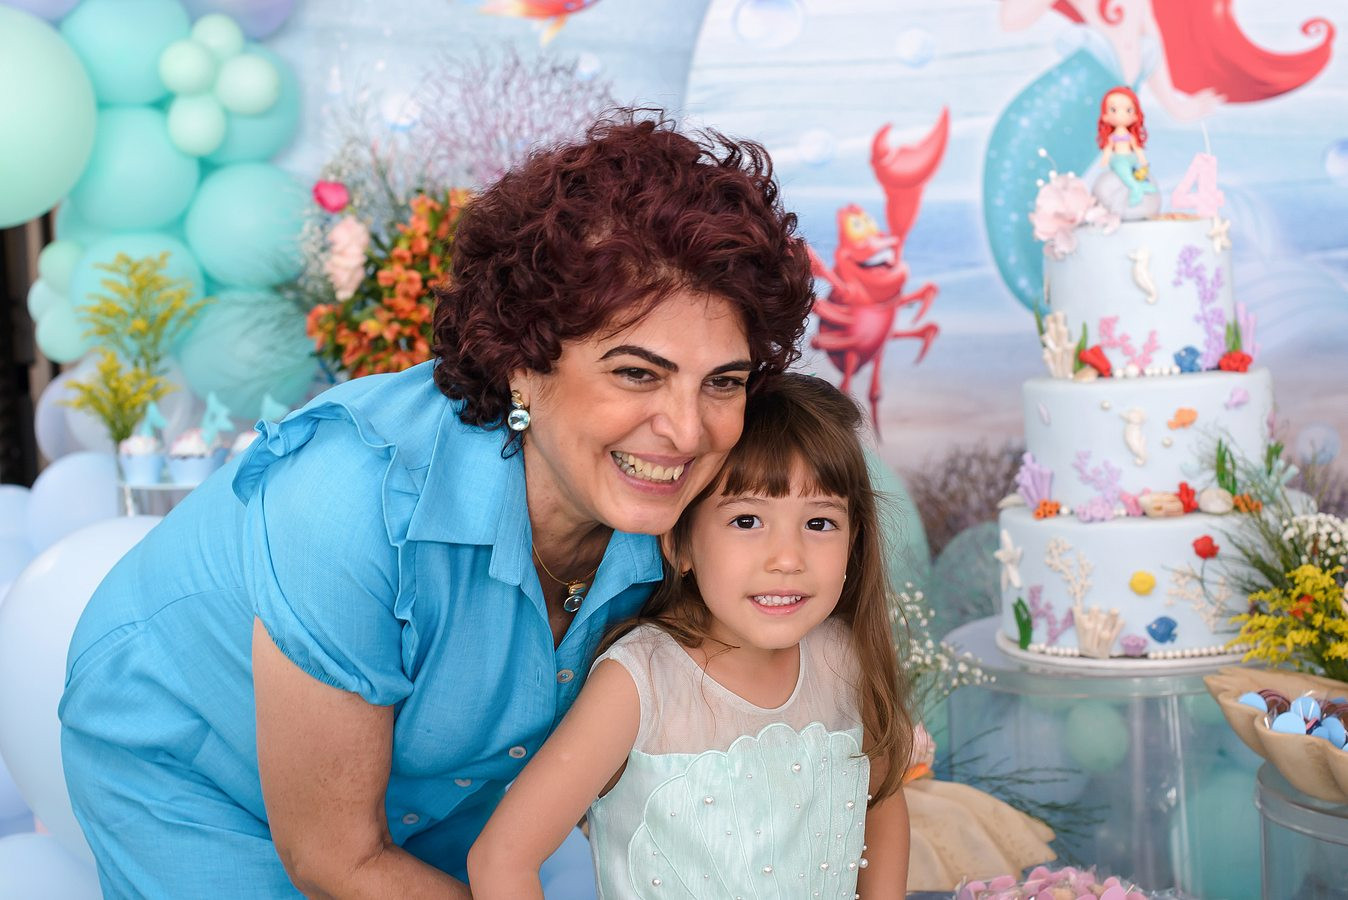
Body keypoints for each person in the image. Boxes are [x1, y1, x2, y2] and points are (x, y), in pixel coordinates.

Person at [58, 110, 814, 898]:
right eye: (636, 373)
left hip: (429, 792)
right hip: (192, 763)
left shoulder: (706, 501)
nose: (687, 430)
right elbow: (337, 858)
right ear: (523, 362)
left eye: (722, 381)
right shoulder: (349, 498)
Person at [468, 373, 914, 898]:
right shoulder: (639, 684)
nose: (788, 559)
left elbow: (881, 800)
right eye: (747, 520)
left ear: (854, 540)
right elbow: (502, 858)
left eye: (819, 524)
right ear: (679, 544)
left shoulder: (842, 659)